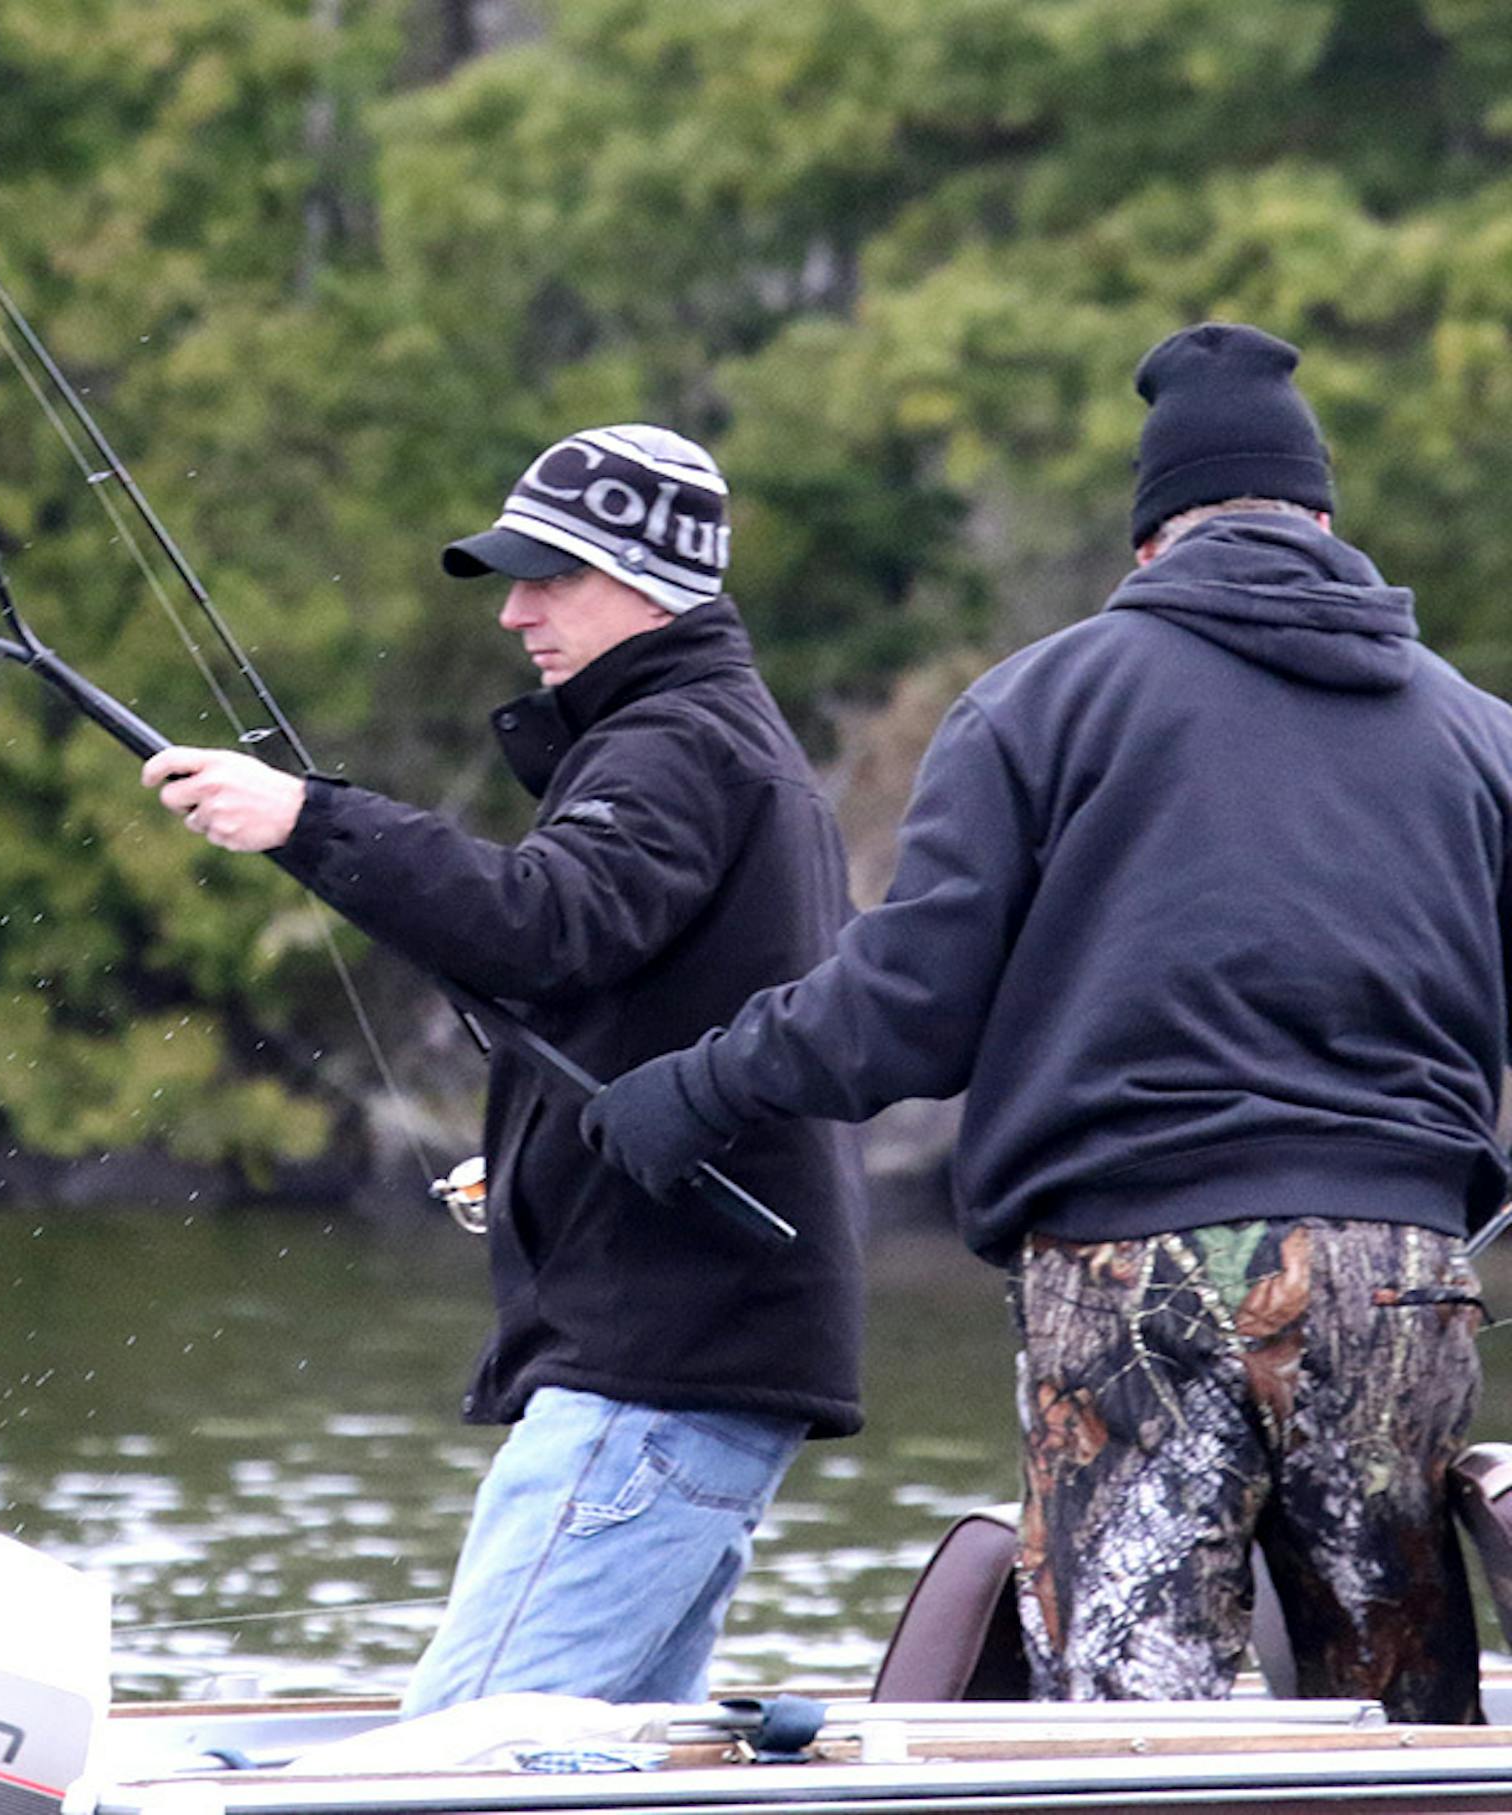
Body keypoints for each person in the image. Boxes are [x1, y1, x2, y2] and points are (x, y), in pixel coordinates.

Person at [584, 325, 1508, 1723]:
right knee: (1396, 1721)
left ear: (1150, 542)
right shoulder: (1479, 734)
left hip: (1138, 1273)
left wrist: (694, 1091)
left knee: (1144, 1729)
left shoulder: (1039, 703)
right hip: (1408, 1278)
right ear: (1324, 519)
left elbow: (904, 1016)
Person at [139, 424, 867, 1715]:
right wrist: (535, 1163)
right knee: (595, 1776)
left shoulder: (677, 746)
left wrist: (308, 819)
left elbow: (545, 924)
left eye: (551, 576)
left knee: (455, 1764)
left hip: (651, 1377)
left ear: (651, 586)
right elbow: (666, 1011)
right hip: (710, 1365)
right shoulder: (720, 744)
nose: (515, 612)